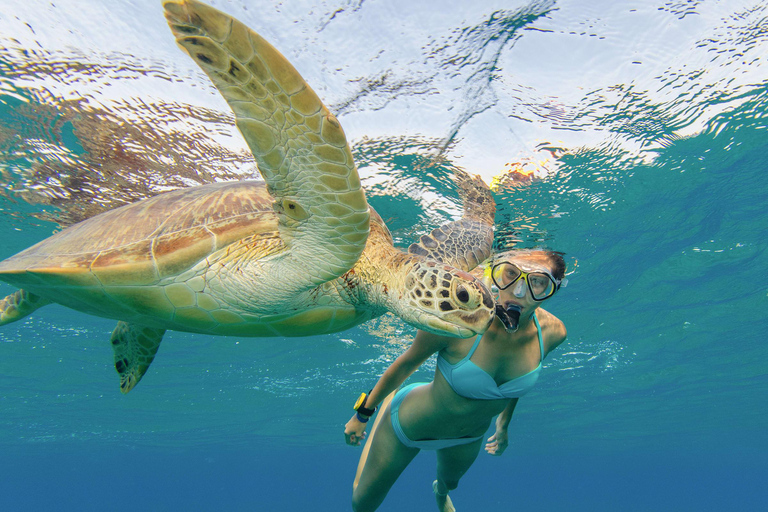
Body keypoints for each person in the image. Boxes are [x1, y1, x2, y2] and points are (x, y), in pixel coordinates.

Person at [344, 249, 568, 512]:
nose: (518, 292)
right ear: (496, 275)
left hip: (468, 437)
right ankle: (389, 403)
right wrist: (362, 415)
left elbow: (513, 386)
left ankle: (439, 493)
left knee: (450, 484)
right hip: (408, 425)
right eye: (510, 275)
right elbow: (406, 363)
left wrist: (503, 425)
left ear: (552, 289)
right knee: (362, 505)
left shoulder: (553, 333)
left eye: (537, 282)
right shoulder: (457, 318)